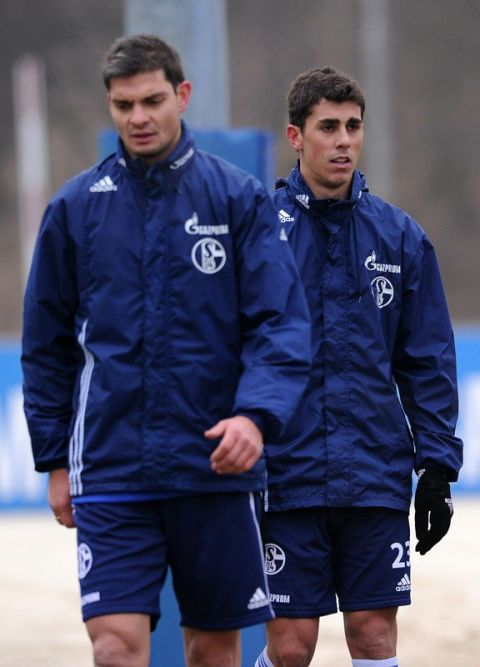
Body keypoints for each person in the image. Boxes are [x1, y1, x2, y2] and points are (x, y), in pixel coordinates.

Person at [21, 34, 312, 667]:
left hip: (215, 468)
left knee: (212, 651)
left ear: (182, 96)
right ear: (110, 107)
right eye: (124, 105)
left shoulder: (236, 199)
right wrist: (55, 459)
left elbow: (281, 324)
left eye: (152, 101)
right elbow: (46, 348)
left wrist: (254, 417)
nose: (138, 118)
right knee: (114, 646)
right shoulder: (74, 210)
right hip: (111, 467)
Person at [255, 67, 463, 667]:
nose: (343, 140)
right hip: (284, 476)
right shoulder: (260, 232)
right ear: (296, 136)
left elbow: (426, 362)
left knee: (373, 636)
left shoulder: (400, 238)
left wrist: (438, 468)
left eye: (353, 126)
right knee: (291, 647)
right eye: (328, 127)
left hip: (374, 473)